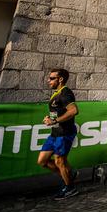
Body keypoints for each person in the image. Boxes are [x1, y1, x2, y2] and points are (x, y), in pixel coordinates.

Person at [37, 68, 79, 200]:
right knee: (42, 161)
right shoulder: (57, 93)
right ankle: (69, 174)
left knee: (60, 161)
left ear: (60, 79)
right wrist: (49, 118)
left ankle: (70, 188)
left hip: (65, 133)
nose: (48, 80)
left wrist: (54, 120)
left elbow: (73, 111)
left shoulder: (65, 93)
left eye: (51, 78)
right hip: (55, 133)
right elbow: (58, 111)